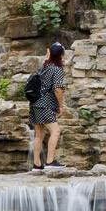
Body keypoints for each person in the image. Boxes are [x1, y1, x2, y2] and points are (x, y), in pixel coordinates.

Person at [27, 42, 67, 171]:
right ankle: (50, 162)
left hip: (35, 104)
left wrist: (48, 54)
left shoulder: (43, 67)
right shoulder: (57, 70)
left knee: (39, 134)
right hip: (45, 105)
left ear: (49, 53)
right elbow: (57, 89)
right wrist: (61, 106)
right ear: (61, 55)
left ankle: (37, 165)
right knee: (55, 131)